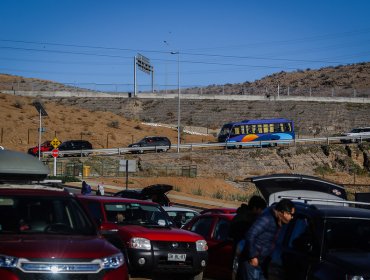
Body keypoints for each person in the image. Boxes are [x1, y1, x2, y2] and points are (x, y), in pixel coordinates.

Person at [240, 198, 295, 280]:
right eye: (291, 214)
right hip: (253, 261)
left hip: (262, 262)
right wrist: (252, 256)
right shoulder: (267, 219)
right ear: (284, 213)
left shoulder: (278, 222)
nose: (292, 217)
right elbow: (250, 234)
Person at [230, 196, 267, 280]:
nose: (262, 213)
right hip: (245, 258)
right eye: (261, 210)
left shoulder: (239, 216)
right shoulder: (250, 220)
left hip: (237, 256)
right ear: (255, 208)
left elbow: (230, 234)